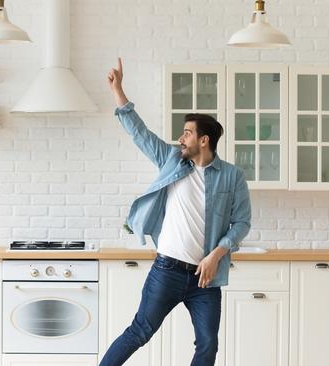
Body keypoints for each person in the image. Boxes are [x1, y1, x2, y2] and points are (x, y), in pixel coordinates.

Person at [99, 58, 251, 366]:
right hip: (166, 271)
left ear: (204, 140)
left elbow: (242, 223)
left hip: (205, 277)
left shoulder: (232, 176)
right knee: (139, 332)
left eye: (187, 133)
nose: (180, 139)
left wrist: (214, 256)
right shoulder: (172, 160)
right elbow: (139, 133)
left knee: (208, 345)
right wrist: (118, 91)